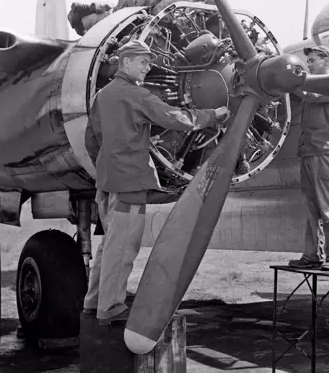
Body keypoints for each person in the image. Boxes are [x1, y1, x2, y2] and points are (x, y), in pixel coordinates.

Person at [83, 39, 230, 323]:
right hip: (130, 183)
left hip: (106, 181)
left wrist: (106, 166)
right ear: (126, 62)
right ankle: (111, 306)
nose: (148, 67)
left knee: (109, 243)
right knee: (123, 245)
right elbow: (173, 116)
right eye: (143, 62)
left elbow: (91, 139)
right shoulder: (135, 95)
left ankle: (94, 301)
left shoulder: (102, 96)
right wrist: (212, 115)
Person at [288, 45, 329, 272]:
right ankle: (312, 255)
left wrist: (287, 79)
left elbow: (309, 95)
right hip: (310, 153)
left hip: (326, 155)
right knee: (312, 210)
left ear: (326, 60)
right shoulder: (313, 86)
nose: (308, 64)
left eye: (312, 60)